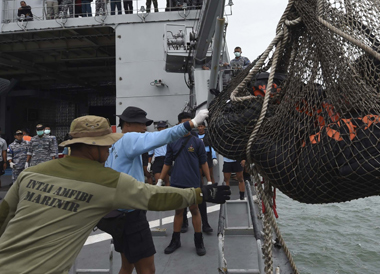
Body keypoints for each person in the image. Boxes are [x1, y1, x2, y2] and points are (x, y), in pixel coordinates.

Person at [0, 115, 230, 274]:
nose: (110, 149)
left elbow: (4, 215)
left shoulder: (30, 174)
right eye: (106, 145)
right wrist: (202, 193)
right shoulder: (106, 181)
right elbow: (155, 197)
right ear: (92, 146)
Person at [105, 106, 209, 274]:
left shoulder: (113, 143)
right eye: (142, 124)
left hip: (117, 213)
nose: (145, 128)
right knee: (148, 269)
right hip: (132, 215)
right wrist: (192, 123)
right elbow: (161, 136)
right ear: (128, 124)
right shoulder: (130, 138)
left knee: (127, 265)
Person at [158, 112, 213, 256]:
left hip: (193, 183)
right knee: (178, 212)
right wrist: (160, 180)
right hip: (177, 182)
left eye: (191, 122)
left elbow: (204, 163)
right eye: (185, 123)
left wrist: (209, 180)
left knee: (195, 210)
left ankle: (198, 241)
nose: (189, 125)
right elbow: (167, 163)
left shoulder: (197, 142)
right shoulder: (172, 142)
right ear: (179, 124)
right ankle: (176, 240)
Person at [148, 120, 169, 186]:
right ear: (158, 129)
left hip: (166, 158)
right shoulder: (154, 137)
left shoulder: (169, 137)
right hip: (157, 159)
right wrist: (149, 163)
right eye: (160, 128)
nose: (161, 129)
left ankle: (168, 195)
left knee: (167, 180)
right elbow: (150, 152)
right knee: (157, 181)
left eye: (163, 127)